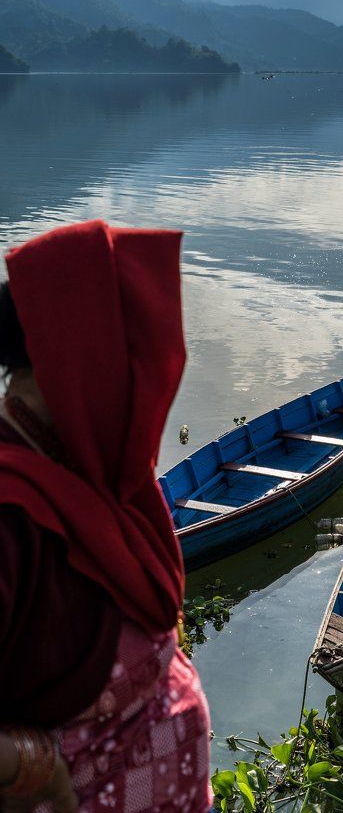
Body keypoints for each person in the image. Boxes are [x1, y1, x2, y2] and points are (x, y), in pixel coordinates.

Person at [0, 220, 212, 812]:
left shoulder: (82, 476)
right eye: (133, 367)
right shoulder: (9, 517)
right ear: (83, 360)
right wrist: (39, 772)